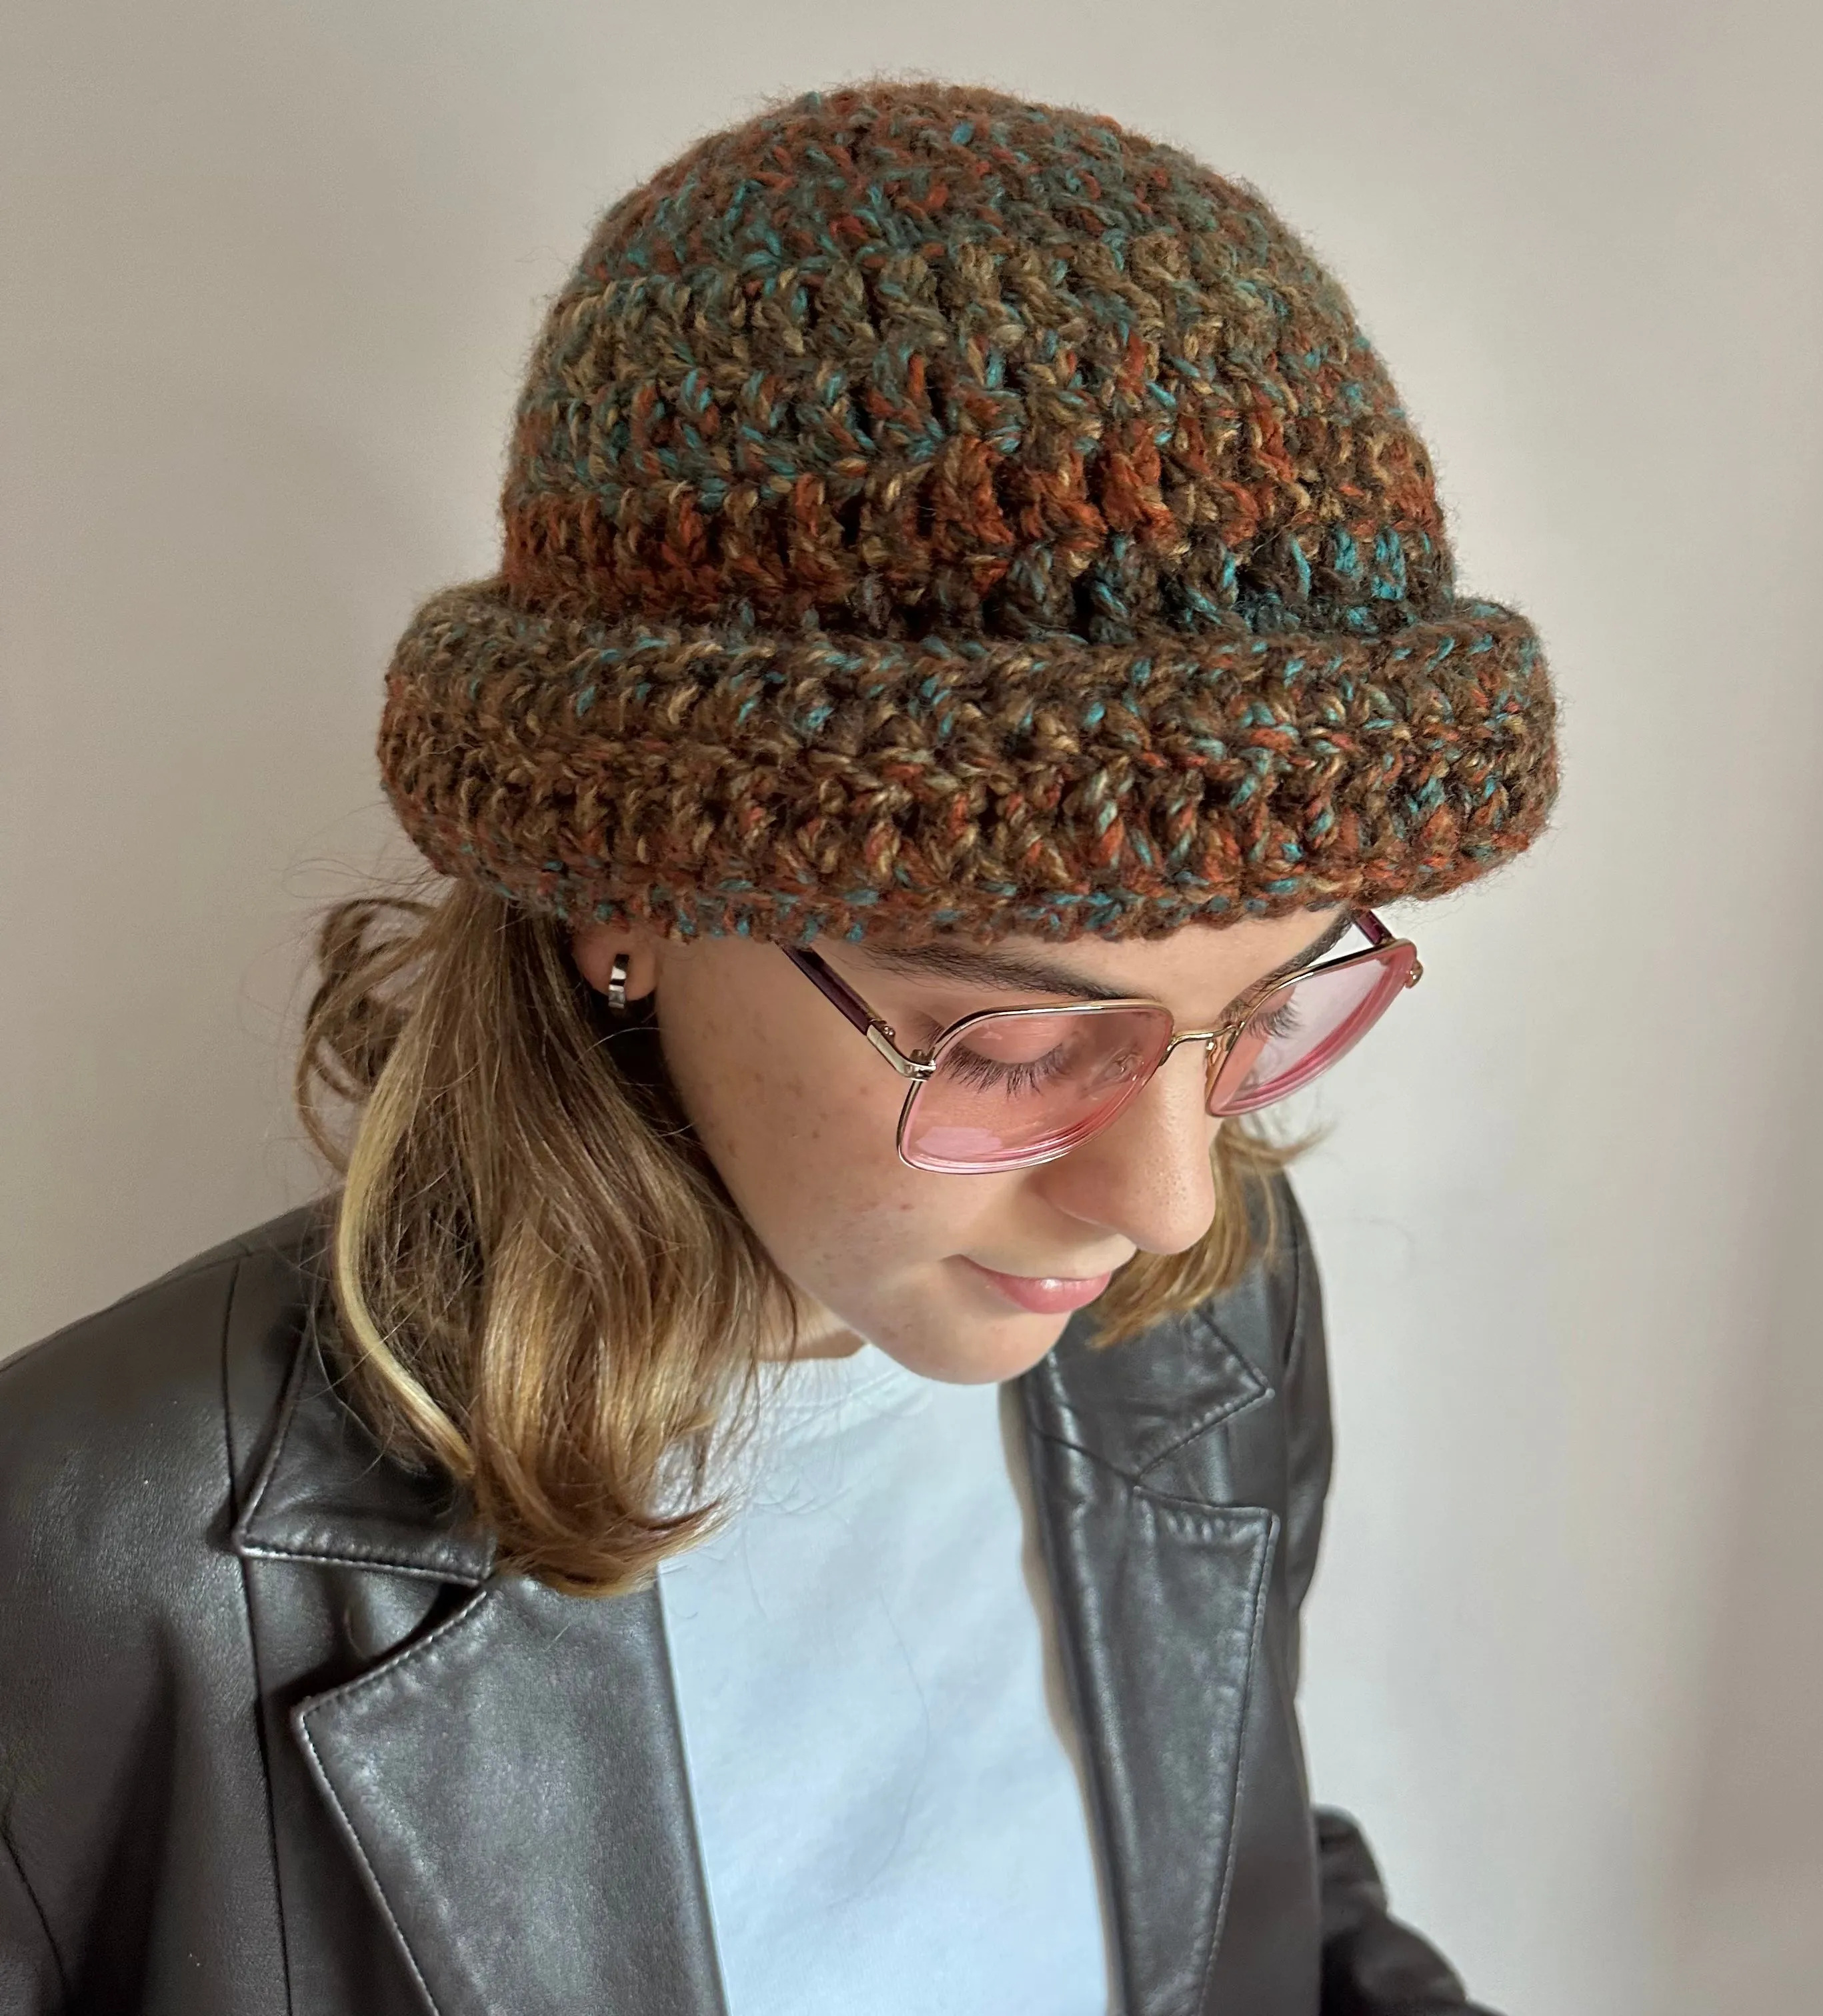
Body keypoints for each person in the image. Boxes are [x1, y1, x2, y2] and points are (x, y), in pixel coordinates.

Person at [0, 75, 1558, 2016]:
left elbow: (1248, 1879)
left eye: (1258, 1014)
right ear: (624, 897)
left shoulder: (1212, 1337)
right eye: (1008, 1040)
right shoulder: (81, 1554)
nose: (1162, 1205)